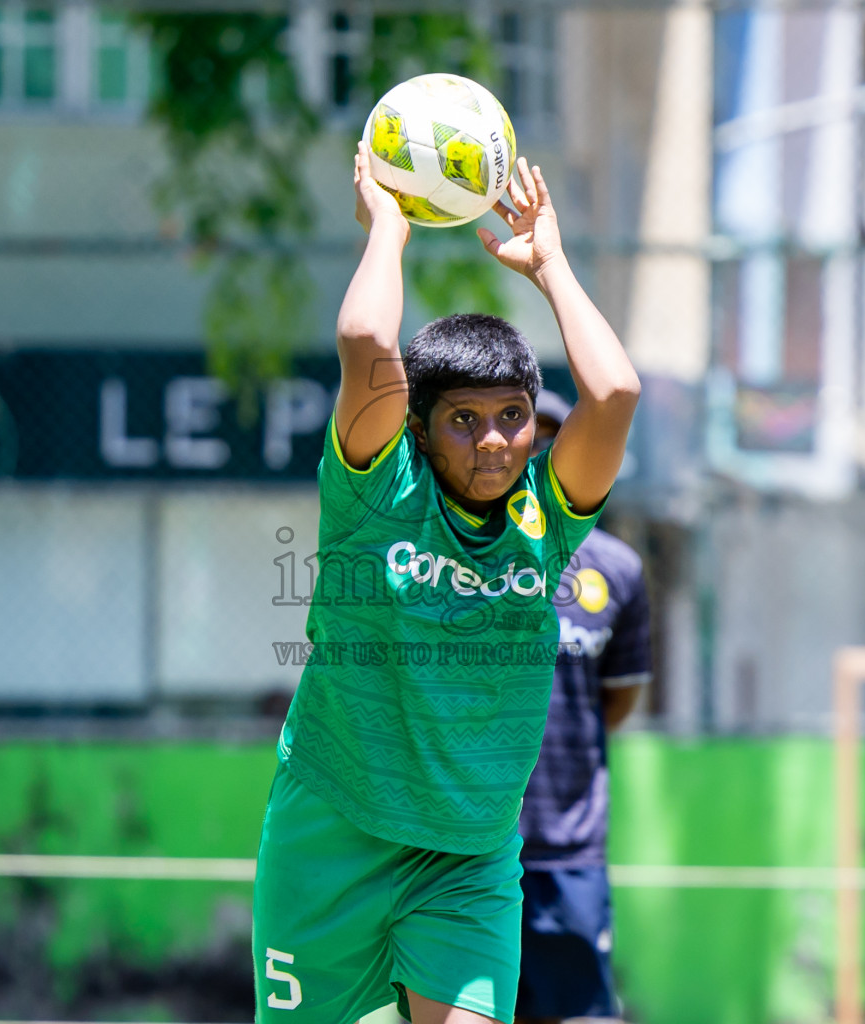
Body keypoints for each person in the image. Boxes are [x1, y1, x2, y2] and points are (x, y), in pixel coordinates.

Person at [251, 144, 640, 1024]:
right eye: (463, 420)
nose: (495, 440)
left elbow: (612, 394)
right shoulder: (377, 493)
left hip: (467, 859)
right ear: (420, 433)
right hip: (334, 831)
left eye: (510, 419)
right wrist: (389, 224)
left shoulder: (547, 520)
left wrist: (550, 262)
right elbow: (364, 340)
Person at [514, 391, 651, 1024]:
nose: (534, 452)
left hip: (568, 849)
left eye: (551, 439)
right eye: (524, 437)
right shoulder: (453, 559)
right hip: (462, 847)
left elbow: (616, 702)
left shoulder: (617, 571)